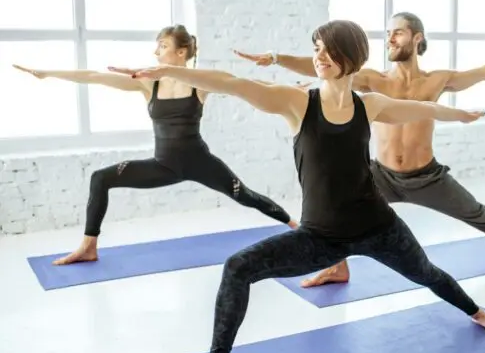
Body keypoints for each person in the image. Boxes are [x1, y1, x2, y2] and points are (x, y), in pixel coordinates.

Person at [116, 19, 485, 353]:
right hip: (320, 237)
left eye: (328, 50)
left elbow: (422, 110)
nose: (319, 56)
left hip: (378, 226)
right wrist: (166, 72)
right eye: (316, 48)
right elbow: (232, 84)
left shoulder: (367, 104)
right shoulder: (296, 102)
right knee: (238, 267)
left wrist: (459, 114)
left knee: (426, 273)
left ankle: (477, 312)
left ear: (351, 57)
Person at [233, 11, 485, 288]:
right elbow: (324, 62)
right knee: (339, 209)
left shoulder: (438, 80)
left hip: (427, 177)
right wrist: (277, 58)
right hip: (380, 175)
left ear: (417, 39)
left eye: (398, 33)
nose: (390, 39)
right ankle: (338, 266)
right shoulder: (374, 79)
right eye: (388, 33)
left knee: (475, 211)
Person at [11, 24, 298, 266]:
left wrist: (291, 91)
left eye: (162, 46)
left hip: (200, 162)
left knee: (245, 195)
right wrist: (47, 73)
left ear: (181, 52)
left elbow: (243, 84)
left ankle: (295, 226)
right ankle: (89, 246)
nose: (155, 52)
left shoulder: (199, 83)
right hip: (163, 165)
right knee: (100, 178)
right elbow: (95, 77)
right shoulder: (149, 84)